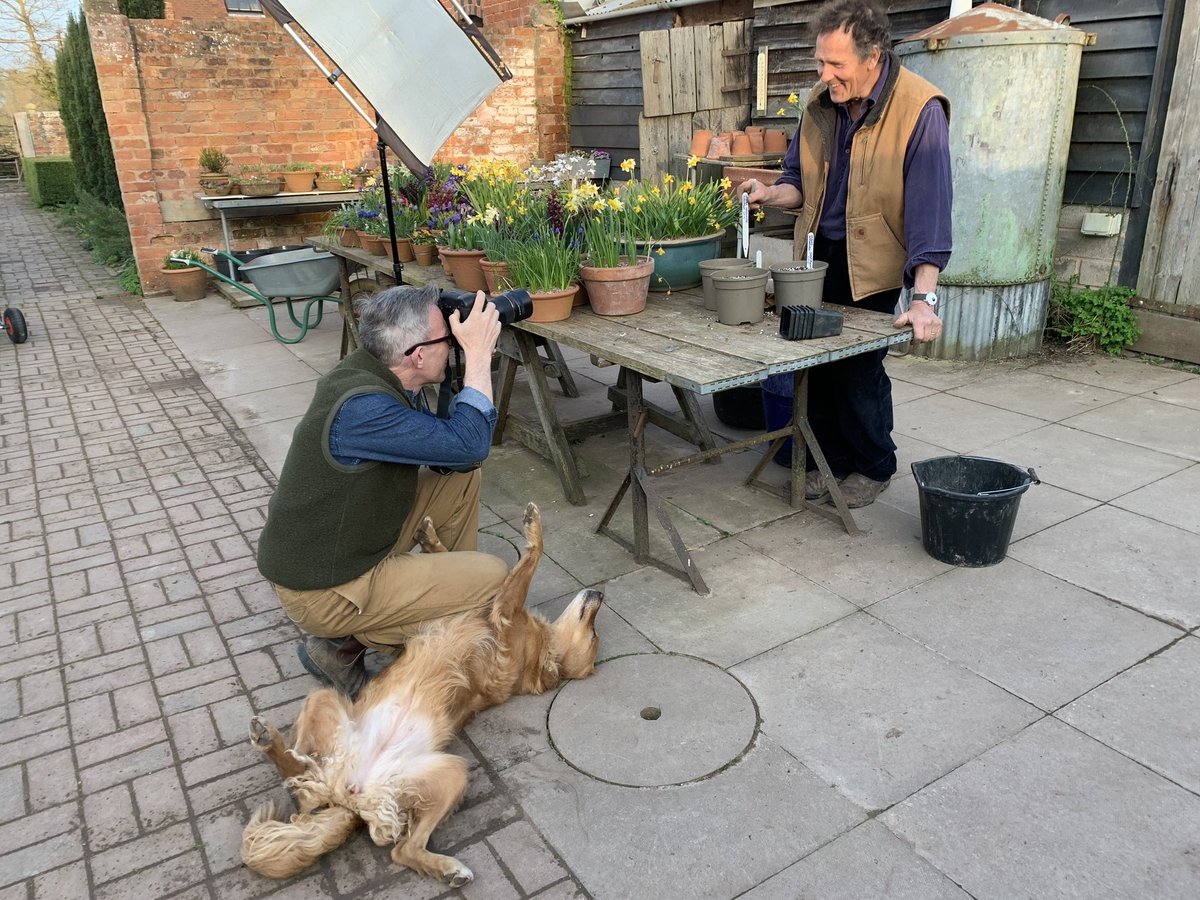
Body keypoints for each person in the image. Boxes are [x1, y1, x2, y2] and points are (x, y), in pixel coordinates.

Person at [738, 0, 952, 508]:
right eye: (819, 63)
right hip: (817, 256)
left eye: (836, 65)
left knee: (857, 371)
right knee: (814, 365)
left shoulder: (920, 109)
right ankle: (827, 463)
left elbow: (930, 212)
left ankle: (874, 466)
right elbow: (797, 182)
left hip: (874, 261)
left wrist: (925, 298)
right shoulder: (820, 103)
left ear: (873, 56)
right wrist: (770, 195)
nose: (824, 74)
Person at [256, 283, 509, 697]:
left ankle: (444, 602)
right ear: (419, 355)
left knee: (462, 480)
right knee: (495, 578)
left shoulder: (372, 368)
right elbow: (470, 442)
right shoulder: (364, 407)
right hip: (325, 589)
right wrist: (480, 355)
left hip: (346, 545)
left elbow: (459, 460)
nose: (456, 341)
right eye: (449, 337)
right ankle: (360, 641)